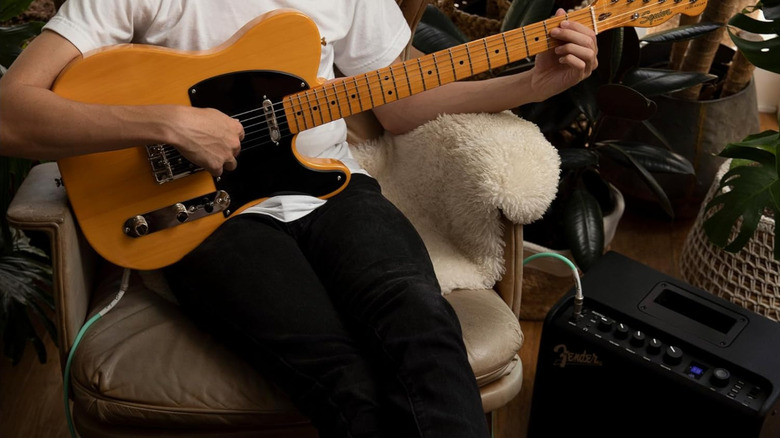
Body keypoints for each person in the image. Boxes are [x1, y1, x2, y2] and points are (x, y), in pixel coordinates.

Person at [0, 1, 597, 437]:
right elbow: (9, 115)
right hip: (202, 214)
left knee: (422, 326)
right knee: (341, 376)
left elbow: (401, 104)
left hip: (331, 187)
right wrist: (164, 124)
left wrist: (535, 82)